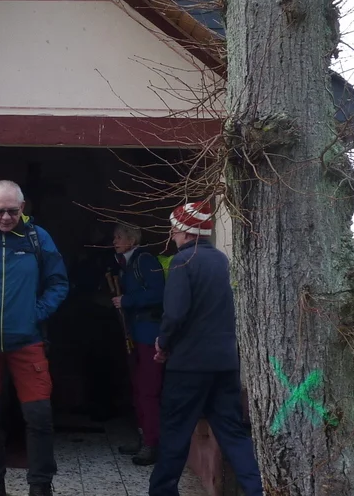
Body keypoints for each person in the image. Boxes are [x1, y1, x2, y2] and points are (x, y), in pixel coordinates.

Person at [149, 200, 263, 496]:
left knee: (175, 432)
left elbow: (175, 313)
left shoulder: (183, 261)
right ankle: (255, 490)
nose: (172, 235)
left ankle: (162, 491)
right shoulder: (221, 261)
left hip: (188, 365)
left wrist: (163, 343)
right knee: (233, 433)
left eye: (174, 229)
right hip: (224, 364)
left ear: (184, 231)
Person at [0, 180, 69, 496]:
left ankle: (40, 486)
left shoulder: (38, 238)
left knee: (39, 417)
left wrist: (34, 313)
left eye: (12, 211)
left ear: (22, 208)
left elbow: (59, 283)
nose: (6, 217)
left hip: (27, 342)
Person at [110, 222, 167, 466]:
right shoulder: (126, 264)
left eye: (119, 237)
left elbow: (159, 293)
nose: (115, 241)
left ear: (133, 240)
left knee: (148, 390)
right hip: (134, 333)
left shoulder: (145, 261)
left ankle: (152, 443)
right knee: (137, 388)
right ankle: (143, 435)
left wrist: (127, 300)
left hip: (149, 334)